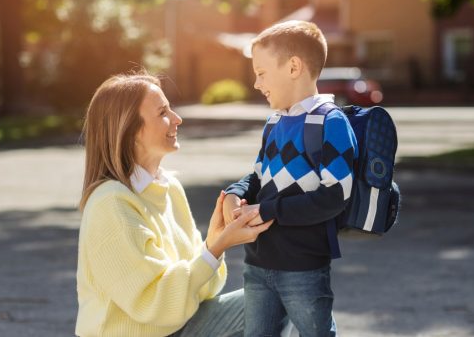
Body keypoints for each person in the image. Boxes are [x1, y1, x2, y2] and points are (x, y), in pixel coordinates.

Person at [75, 72, 273, 337]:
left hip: (179, 328)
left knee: (291, 300)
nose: (177, 119)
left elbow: (205, 291)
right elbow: (156, 307)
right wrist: (216, 247)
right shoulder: (111, 204)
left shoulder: (168, 188)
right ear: (131, 131)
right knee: (281, 305)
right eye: (163, 112)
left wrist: (211, 244)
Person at [222, 20, 358, 337]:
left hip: (303, 267)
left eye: (262, 72)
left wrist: (268, 210)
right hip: (257, 263)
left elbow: (335, 196)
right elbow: (257, 175)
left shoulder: (330, 122)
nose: (256, 83)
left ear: (294, 67)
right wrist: (235, 192)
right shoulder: (273, 123)